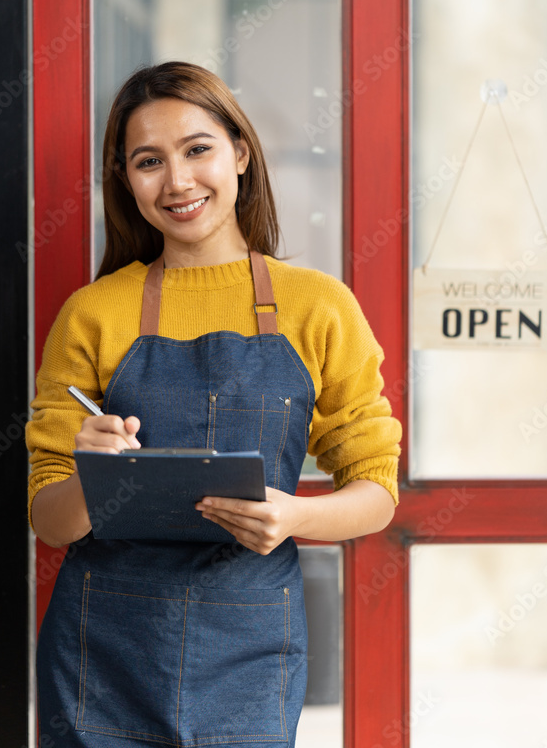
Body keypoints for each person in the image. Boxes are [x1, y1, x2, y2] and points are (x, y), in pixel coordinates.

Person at [26, 61, 401, 748]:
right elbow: (51, 522)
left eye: (197, 149)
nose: (177, 182)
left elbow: (376, 489)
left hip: (251, 644)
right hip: (102, 650)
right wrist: (89, 469)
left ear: (239, 152)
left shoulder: (318, 305)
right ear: (125, 179)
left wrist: (294, 516)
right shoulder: (93, 313)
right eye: (148, 161)